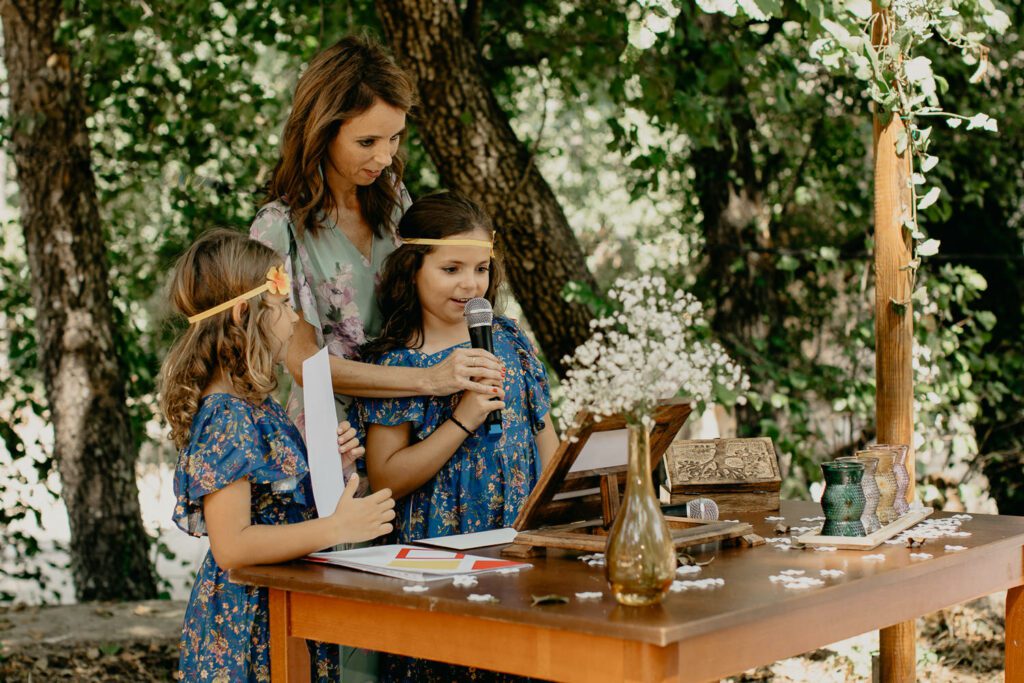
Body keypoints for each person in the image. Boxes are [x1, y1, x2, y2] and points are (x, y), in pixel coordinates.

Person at [250, 36, 503, 489]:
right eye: (366, 141)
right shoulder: (277, 231)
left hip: (415, 431)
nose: (385, 157)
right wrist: (428, 378)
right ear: (321, 131)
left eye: (394, 138)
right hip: (337, 443)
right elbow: (304, 364)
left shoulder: (395, 204)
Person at [160, 229, 396, 682]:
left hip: (283, 599)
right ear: (243, 313)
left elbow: (276, 502)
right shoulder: (226, 416)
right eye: (283, 305)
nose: (292, 320)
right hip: (250, 620)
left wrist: (329, 463)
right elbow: (232, 546)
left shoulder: (255, 403)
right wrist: (338, 527)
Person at [355, 192, 558, 682]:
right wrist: (463, 418)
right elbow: (386, 477)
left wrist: (552, 528)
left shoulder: (508, 340)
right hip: (441, 554)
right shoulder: (397, 363)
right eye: (451, 270)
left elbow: (546, 440)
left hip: (518, 544)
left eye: (481, 269)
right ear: (412, 271)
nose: (471, 285)